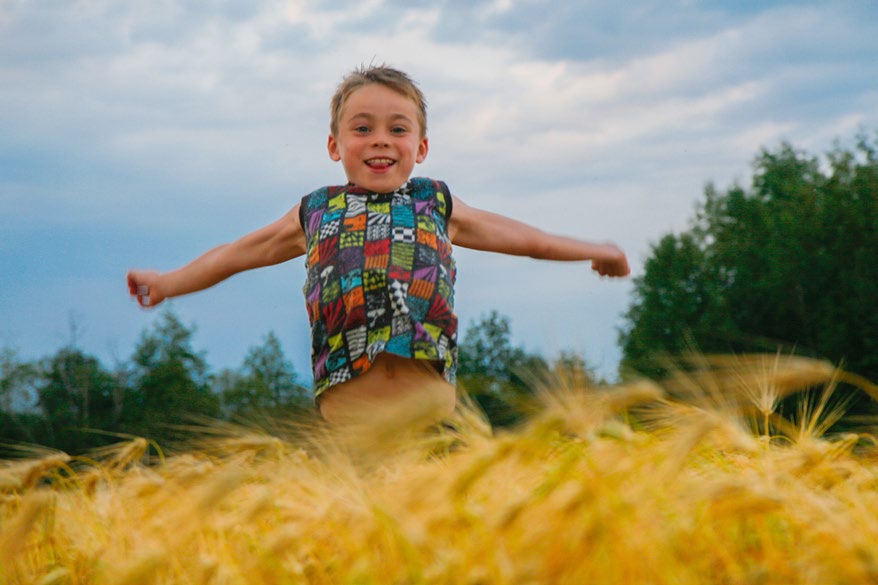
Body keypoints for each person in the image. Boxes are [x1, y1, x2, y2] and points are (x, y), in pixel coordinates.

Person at [127, 64, 630, 429]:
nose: (380, 140)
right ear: (334, 146)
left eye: (398, 129)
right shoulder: (315, 211)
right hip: (350, 414)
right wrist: (168, 283)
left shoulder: (437, 202)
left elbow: (531, 241)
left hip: (429, 411)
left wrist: (595, 249)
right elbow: (236, 253)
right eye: (362, 128)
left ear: (422, 147)